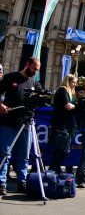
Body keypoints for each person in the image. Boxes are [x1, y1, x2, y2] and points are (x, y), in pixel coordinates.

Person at [0, 57, 41, 195]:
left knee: (24, 155)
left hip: (26, 124)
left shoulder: (35, 83)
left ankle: (22, 182)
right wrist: (1, 105)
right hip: (8, 122)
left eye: (37, 70)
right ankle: (1, 183)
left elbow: (45, 98)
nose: (35, 72)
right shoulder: (10, 77)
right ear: (27, 64)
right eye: (34, 68)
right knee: (5, 153)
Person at [48, 74, 78, 175]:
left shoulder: (70, 92)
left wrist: (74, 105)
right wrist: (77, 106)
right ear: (68, 81)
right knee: (62, 150)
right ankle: (53, 169)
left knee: (62, 150)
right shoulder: (63, 90)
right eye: (73, 82)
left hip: (67, 125)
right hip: (61, 125)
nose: (75, 85)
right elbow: (68, 106)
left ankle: (55, 170)